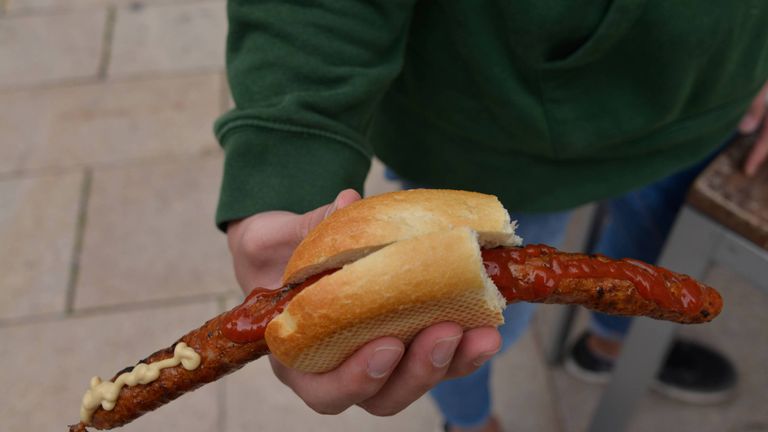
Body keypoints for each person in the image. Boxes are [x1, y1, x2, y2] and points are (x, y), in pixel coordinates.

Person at [216, 2, 768, 431]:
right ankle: (470, 422)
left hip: (716, 109)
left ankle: (608, 347)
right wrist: (289, 170)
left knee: (650, 248)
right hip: (495, 137)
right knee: (456, 333)